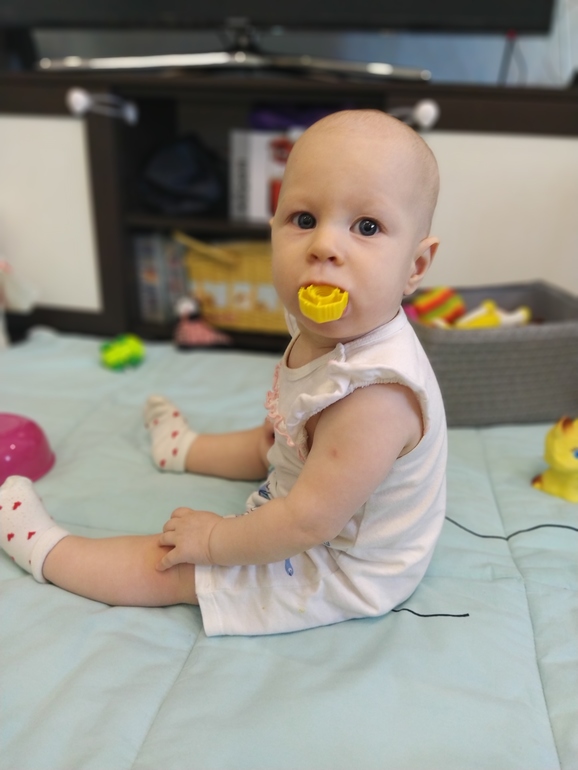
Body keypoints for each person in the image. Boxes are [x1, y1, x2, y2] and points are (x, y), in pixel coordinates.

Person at [0, 109, 447, 636]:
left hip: (341, 562)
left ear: (416, 266)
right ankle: (183, 449)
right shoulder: (329, 324)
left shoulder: (375, 399)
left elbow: (306, 522)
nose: (324, 246)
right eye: (304, 219)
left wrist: (212, 540)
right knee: (274, 438)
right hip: (316, 483)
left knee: (177, 564)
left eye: (367, 227)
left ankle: (48, 550)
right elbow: (292, 438)